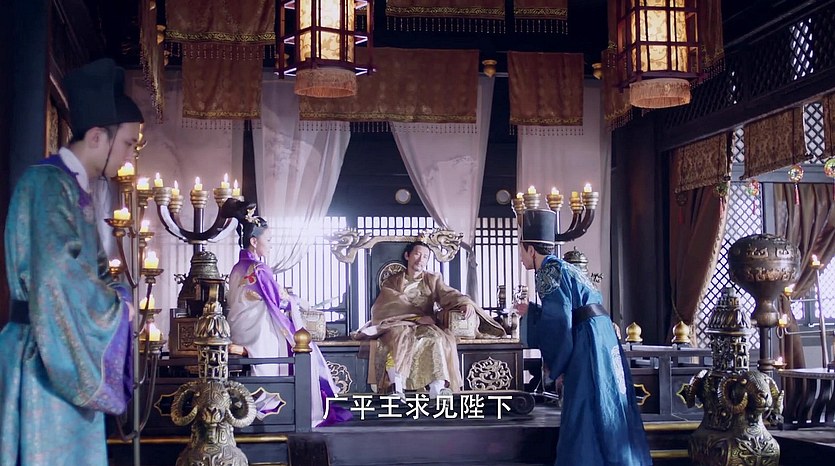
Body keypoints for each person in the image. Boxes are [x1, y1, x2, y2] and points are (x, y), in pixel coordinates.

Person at [0, 58, 142, 465]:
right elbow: (57, 278)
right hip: (45, 358)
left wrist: (117, 294)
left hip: (66, 350)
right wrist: (117, 308)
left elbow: (96, 269)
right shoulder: (47, 183)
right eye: (128, 143)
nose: (130, 156)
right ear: (98, 136)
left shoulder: (75, 189)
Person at [516, 208, 651, 466]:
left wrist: (557, 367)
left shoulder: (547, 271)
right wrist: (532, 311)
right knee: (608, 397)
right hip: (602, 333)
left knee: (585, 402)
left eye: (521, 251)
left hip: (587, 338)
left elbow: (558, 321)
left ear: (531, 249)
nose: (521, 259)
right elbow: (570, 307)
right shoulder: (564, 267)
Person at [223, 199, 351, 426]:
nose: (271, 245)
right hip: (258, 333)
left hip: (239, 328)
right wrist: (295, 301)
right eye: (268, 240)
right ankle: (272, 411)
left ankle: (249, 408)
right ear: (254, 241)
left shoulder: (237, 268)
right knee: (287, 347)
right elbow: (278, 301)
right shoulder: (259, 269)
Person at [359, 241, 505, 399]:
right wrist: (415, 317)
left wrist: (464, 303)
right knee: (397, 338)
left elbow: (449, 294)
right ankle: (396, 387)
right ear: (407, 255)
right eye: (417, 254)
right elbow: (387, 305)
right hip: (398, 323)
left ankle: (438, 388)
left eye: (425, 256)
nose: (421, 259)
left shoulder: (432, 279)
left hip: (426, 324)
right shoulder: (393, 281)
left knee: (436, 338)